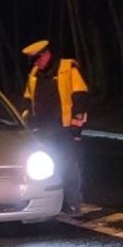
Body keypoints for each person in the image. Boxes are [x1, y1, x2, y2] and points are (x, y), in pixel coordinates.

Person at [21, 39, 89, 215]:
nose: (36, 63)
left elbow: (80, 97)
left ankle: (73, 202)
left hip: (64, 128)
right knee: (47, 168)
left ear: (46, 54)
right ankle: (51, 204)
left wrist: (76, 128)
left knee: (68, 165)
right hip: (42, 131)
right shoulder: (34, 74)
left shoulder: (68, 68)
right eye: (34, 61)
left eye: (38, 59)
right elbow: (28, 102)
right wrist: (29, 124)